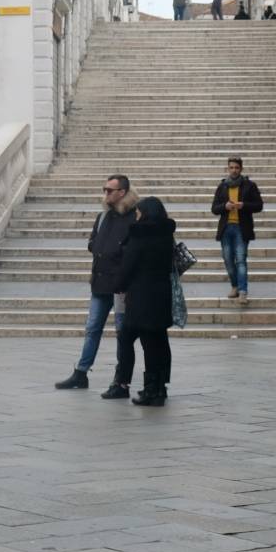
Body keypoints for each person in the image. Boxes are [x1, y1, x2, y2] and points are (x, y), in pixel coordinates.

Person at [55, 174, 139, 389]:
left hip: (122, 286)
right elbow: (93, 242)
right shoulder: (103, 216)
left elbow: (135, 251)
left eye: (110, 190)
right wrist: (99, 248)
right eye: (105, 189)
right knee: (92, 328)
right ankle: (80, 373)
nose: (106, 194)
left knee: (122, 333)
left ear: (122, 192)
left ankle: (120, 378)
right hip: (100, 282)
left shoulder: (135, 217)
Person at [104, 196, 177, 406]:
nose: (135, 215)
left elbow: (128, 266)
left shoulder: (139, 235)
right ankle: (159, 387)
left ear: (144, 213)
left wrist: (117, 285)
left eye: (138, 212)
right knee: (158, 342)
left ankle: (147, 389)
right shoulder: (166, 235)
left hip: (141, 297)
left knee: (133, 339)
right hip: (161, 295)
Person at [211, 157, 264, 300]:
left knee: (241, 259)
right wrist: (225, 207)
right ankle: (234, 286)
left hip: (242, 228)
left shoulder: (249, 185)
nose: (234, 170)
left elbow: (259, 205)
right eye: (231, 167)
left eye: (236, 167)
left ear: (241, 169)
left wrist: (244, 205)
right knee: (228, 259)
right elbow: (214, 208)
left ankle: (243, 291)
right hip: (226, 228)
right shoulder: (222, 186)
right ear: (228, 169)